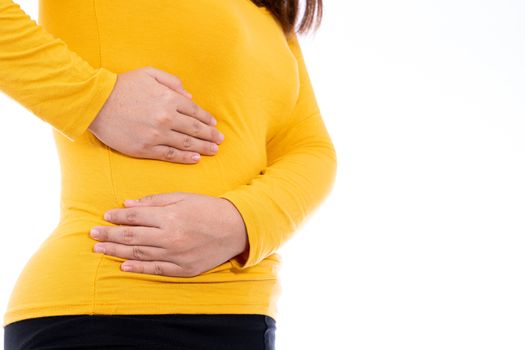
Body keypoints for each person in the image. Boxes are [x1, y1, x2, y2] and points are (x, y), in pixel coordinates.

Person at [0, 0, 336, 348]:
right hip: (104, 311)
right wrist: (93, 98)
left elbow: (311, 149)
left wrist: (241, 220)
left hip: (244, 317)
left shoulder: (267, 13)